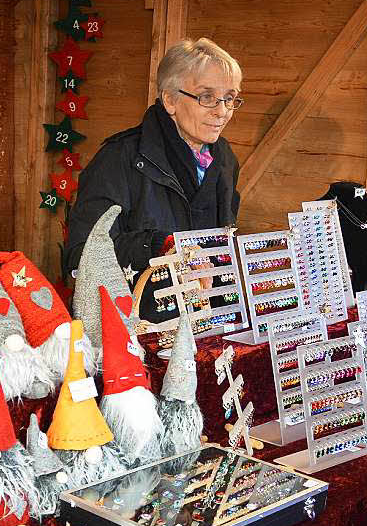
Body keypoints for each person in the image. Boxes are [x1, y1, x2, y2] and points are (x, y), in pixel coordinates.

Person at [63, 38, 243, 320]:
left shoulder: (226, 159)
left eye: (229, 98)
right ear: (170, 99)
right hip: (134, 330)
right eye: (206, 97)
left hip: (207, 324)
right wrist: (160, 246)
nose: (221, 111)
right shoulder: (117, 160)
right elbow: (80, 254)